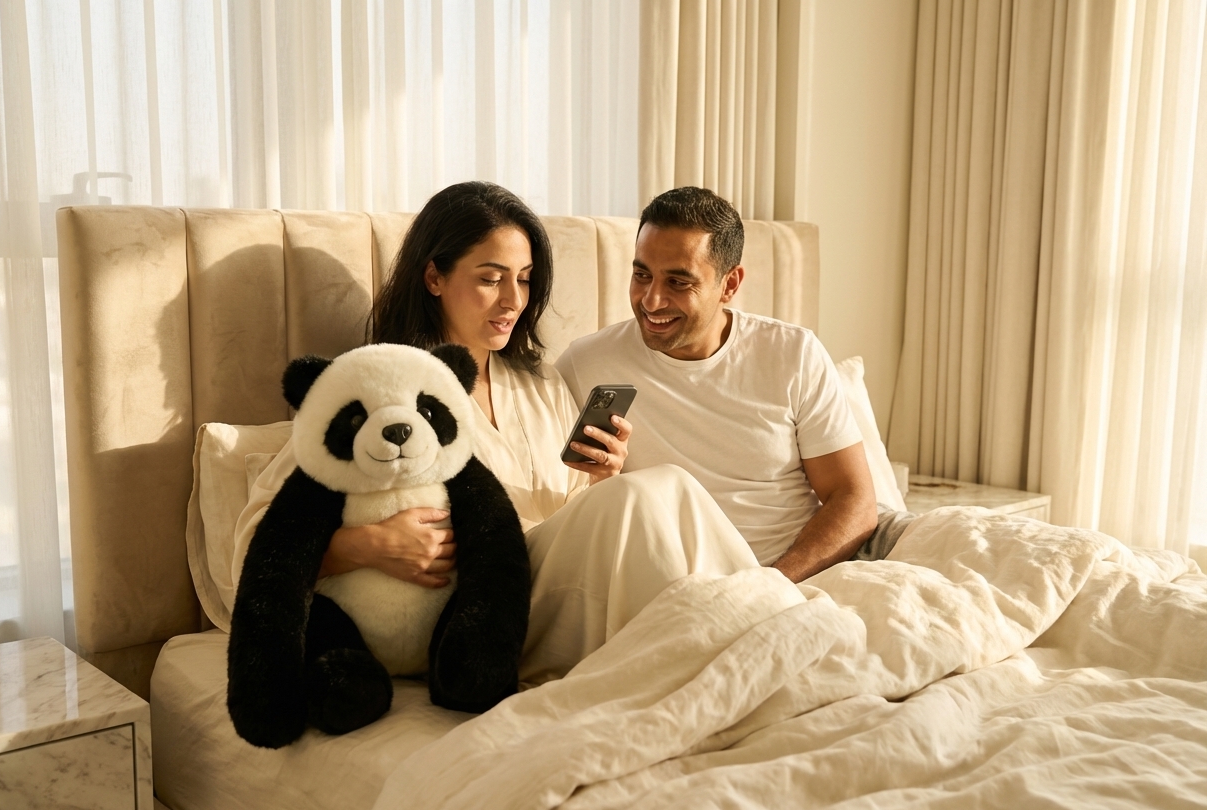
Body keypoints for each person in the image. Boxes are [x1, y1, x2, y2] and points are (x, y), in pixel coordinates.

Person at [231, 182, 766, 685]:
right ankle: (754, 637)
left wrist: (602, 479)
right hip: (475, 616)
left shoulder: (539, 383)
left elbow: (579, 519)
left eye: (525, 278)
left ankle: (757, 623)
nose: (514, 299)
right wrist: (364, 546)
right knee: (653, 492)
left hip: (558, 590)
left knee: (665, 487)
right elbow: (259, 541)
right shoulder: (378, 387)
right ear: (435, 276)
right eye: (491, 278)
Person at [557, 186, 908, 585]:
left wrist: (770, 586)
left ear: (730, 284)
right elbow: (559, 503)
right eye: (641, 275)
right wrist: (605, 478)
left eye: (678, 282)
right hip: (683, 583)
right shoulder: (586, 364)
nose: (651, 301)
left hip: (804, 570)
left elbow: (855, 502)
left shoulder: (792, 354)